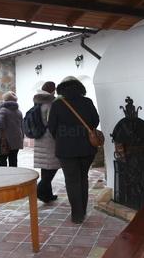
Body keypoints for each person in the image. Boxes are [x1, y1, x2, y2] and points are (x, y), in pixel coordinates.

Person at [47, 76, 100, 224]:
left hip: (66, 149)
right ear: (80, 88)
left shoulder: (58, 104)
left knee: (72, 180)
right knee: (83, 178)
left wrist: (62, 137)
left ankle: (76, 215)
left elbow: (51, 127)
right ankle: (82, 211)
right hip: (87, 148)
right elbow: (95, 121)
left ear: (62, 89)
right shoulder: (87, 102)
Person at [33, 81, 60, 203]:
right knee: (53, 166)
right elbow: (52, 123)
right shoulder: (50, 103)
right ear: (52, 90)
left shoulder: (38, 101)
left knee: (46, 168)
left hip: (40, 137)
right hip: (50, 139)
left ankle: (47, 195)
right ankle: (38, 190)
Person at [0, 91, 23, 167]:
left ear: (5, 100)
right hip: (17, 139)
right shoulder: (19, 111)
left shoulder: (3, 110)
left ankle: (5, 174)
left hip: (5, 139)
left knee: (1, 158)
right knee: (13, 159)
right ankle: (13, 176)